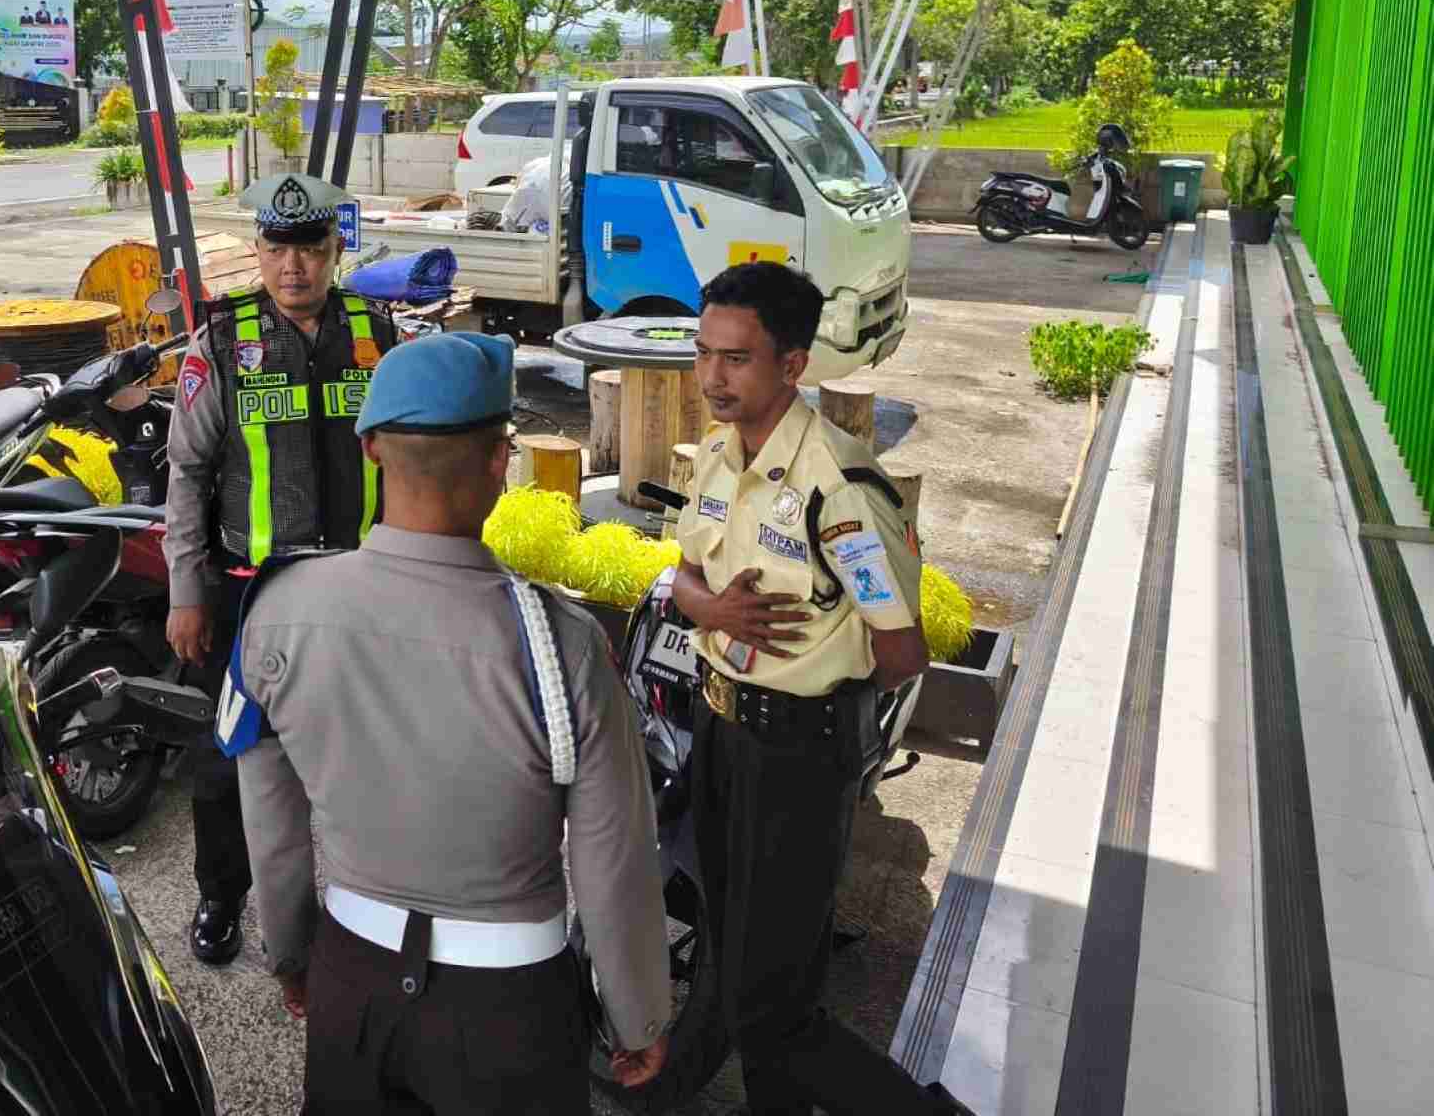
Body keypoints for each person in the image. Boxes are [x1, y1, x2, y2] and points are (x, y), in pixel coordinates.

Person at [223, 331, 671, 1113]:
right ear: (501, 461)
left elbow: (271, 821)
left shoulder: (278, 610)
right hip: (510, 1011)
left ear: (369, 449)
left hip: (351, 980)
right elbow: (612, 861)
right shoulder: (559, 644)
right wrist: (638, 1014)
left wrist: (291, 955)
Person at [671, 261, 973, 1116]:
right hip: (720, 731)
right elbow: (685, 575)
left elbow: (902, 650)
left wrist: (821, 699)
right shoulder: (721, 458)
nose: (711, 379)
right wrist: (714, 609)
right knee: (738, 964)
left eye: (735, 360)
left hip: (797, 752)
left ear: (793, 366)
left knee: (772, 1007)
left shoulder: (837, 491)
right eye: (703, 354)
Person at [163, 171, 400, 965]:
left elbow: (403, 460)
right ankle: (220, 895)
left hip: (357, 588)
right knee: (224, 754)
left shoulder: (376, 334)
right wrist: (185, 593)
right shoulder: (221, 343)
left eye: (309, 248)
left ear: (335, 250)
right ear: (257, 254)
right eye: (276, 249)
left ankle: (363, 903)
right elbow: (188, 475)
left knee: (363, 750)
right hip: (244, 592)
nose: (293, 266)